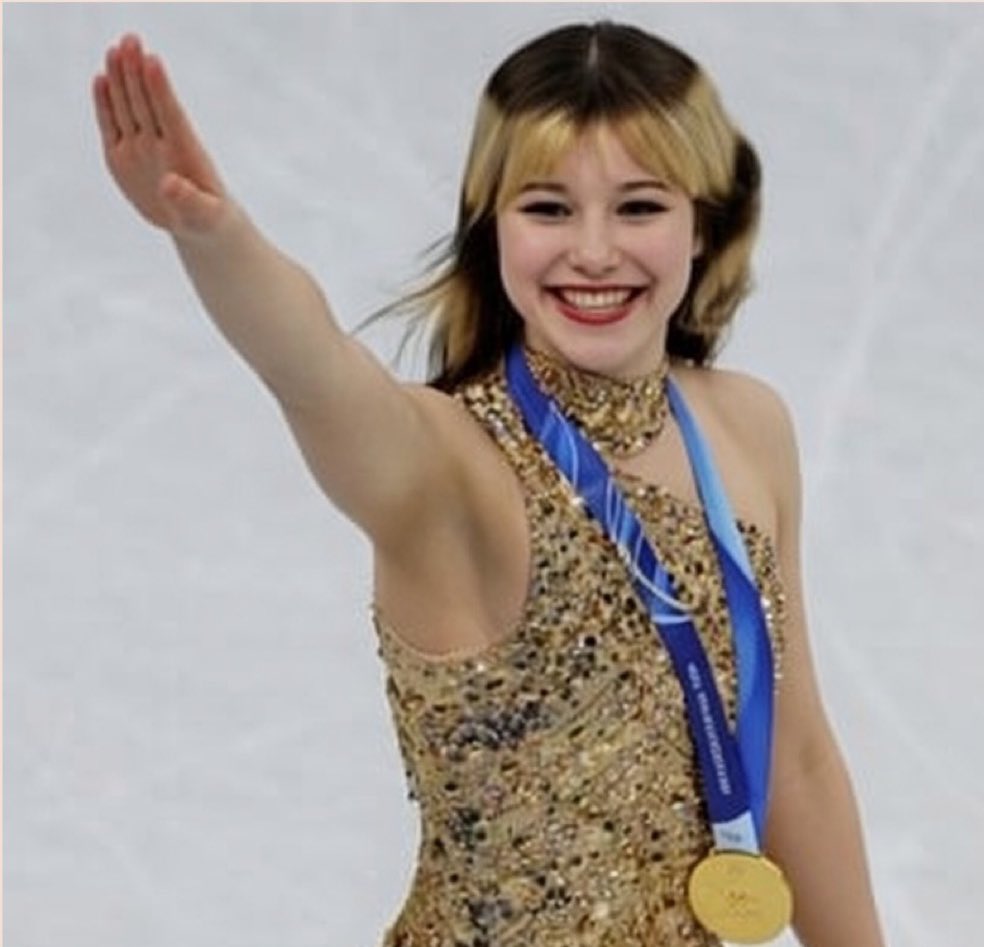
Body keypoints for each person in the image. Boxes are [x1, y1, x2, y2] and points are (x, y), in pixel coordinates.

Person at [93, 21, 886, 947]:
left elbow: (796, 762)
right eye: (548, 209)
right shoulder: (448, 467)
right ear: (492, 225)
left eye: (639, 207)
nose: (594, 251)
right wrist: (217, 236)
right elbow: (311, 367)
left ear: (702, 222)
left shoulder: (748, 428)